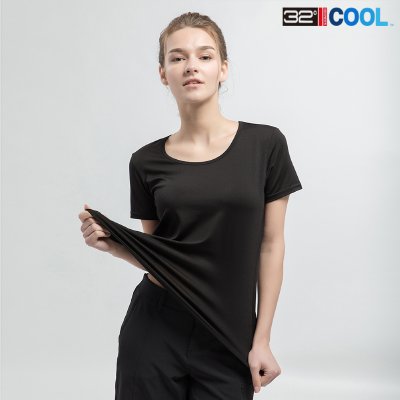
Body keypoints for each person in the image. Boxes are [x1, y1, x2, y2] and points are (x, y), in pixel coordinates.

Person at [79, 11, 303, 400]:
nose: (191, 66)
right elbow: (162, 259)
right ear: (163, 73)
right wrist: (114, 246)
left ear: (223, 68)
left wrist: (262, 338)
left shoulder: (265, 145)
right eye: (177, 57)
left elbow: (271, 245)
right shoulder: (145, 162)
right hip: (154, 329)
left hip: (227, 334)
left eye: (205, 55)